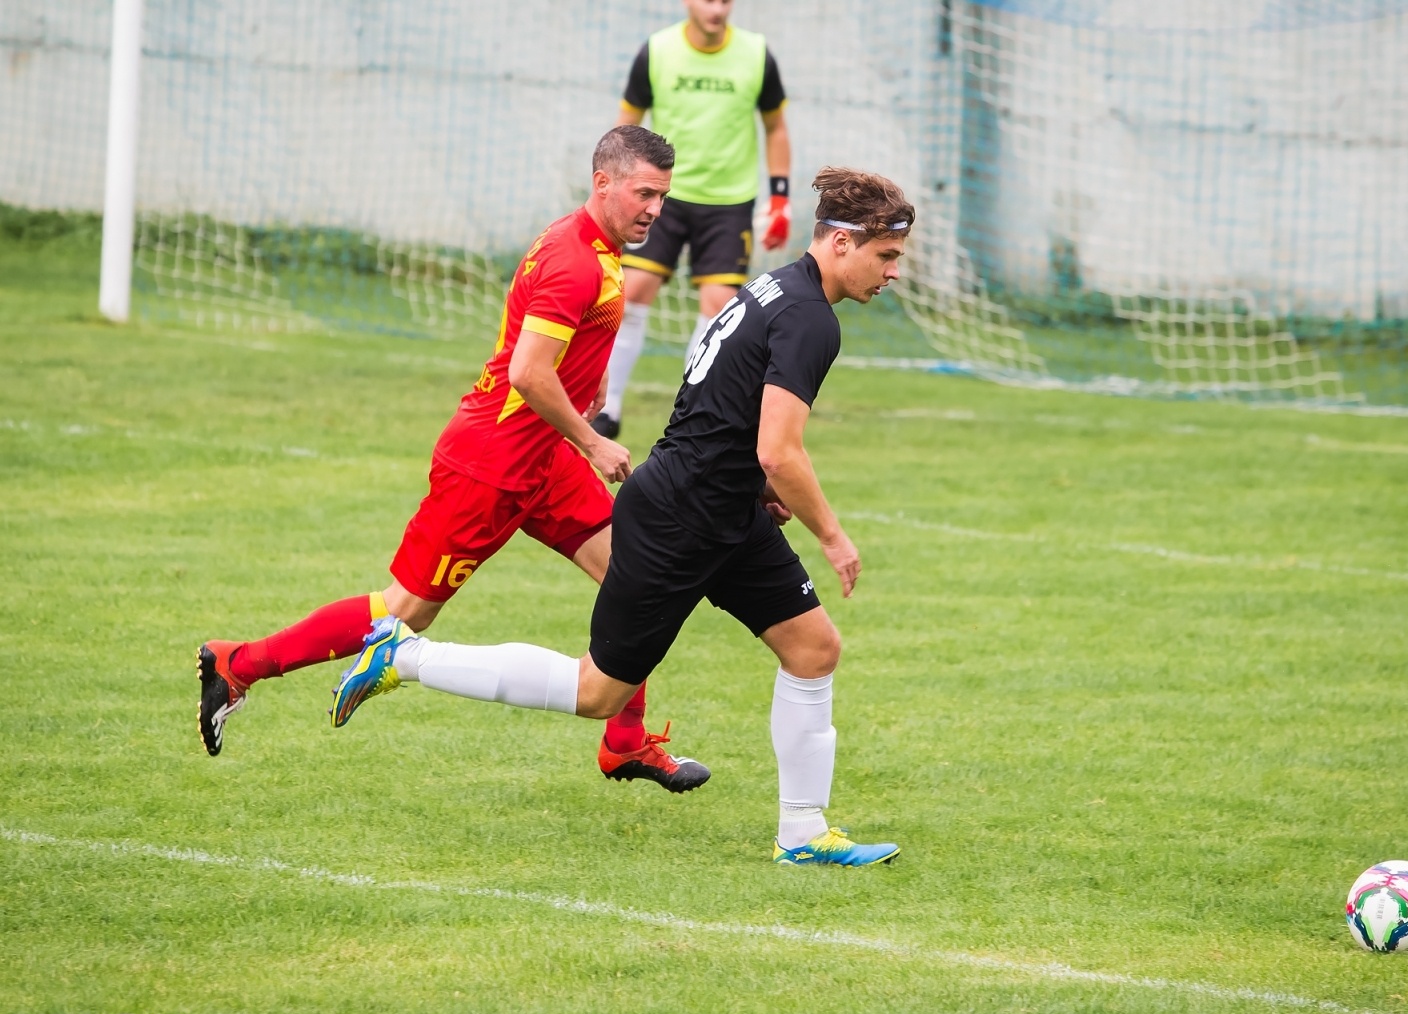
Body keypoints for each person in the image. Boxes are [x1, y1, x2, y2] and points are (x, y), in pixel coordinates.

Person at [332, 167, 915, 867]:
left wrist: (750, 484)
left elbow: (719, 406)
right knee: (596, 691)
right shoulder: (809, 318)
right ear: (844, 243)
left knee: (814, 648)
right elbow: (779, 447)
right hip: (681, 518)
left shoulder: (774, 288)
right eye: (886, 256)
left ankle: (802, 832)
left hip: (721, 505)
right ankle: (404, 655)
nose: (894, 273)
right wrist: (832, 533)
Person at [195, 126, 711, 794]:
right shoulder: (577, 260)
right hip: (490, 464)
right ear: (603, 182)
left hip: (541, 460)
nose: (654, 210)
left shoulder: (594, 246)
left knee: (640, 578)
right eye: (645, 193)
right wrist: (593, 438)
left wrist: (591, 385)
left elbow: (558, 343)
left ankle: (626, 743)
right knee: (401, 614)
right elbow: (528, 371)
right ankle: (237, 662)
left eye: (663, 198)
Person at [590, 0, 791, 440]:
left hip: (729, 201)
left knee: (719, 310)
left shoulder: (757, 54)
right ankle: (608, 409)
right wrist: (614, 188)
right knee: (632, 293)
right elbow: (628, 123)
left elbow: (775, 127)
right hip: (663, 195)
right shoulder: (657, 51)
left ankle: (689, 417)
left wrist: (780, 200)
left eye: (725, 0)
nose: (716, 8)